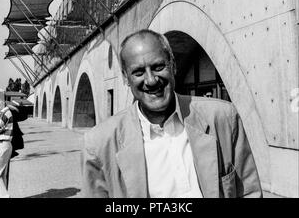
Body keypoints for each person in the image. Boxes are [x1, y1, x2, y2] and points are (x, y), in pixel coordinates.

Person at [82, 29, 262, 198]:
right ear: (125, 78)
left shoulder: (223, 118)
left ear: (173, 66)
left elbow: (249, 191)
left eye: (158, 67)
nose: (151, 80)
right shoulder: (98, 144)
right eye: (138, 72)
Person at [0, 100, 13, 198]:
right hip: (5, 144)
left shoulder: (5, 113)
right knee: (2, 175)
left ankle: (5, 196)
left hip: (3, 144)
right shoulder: (6, 113)